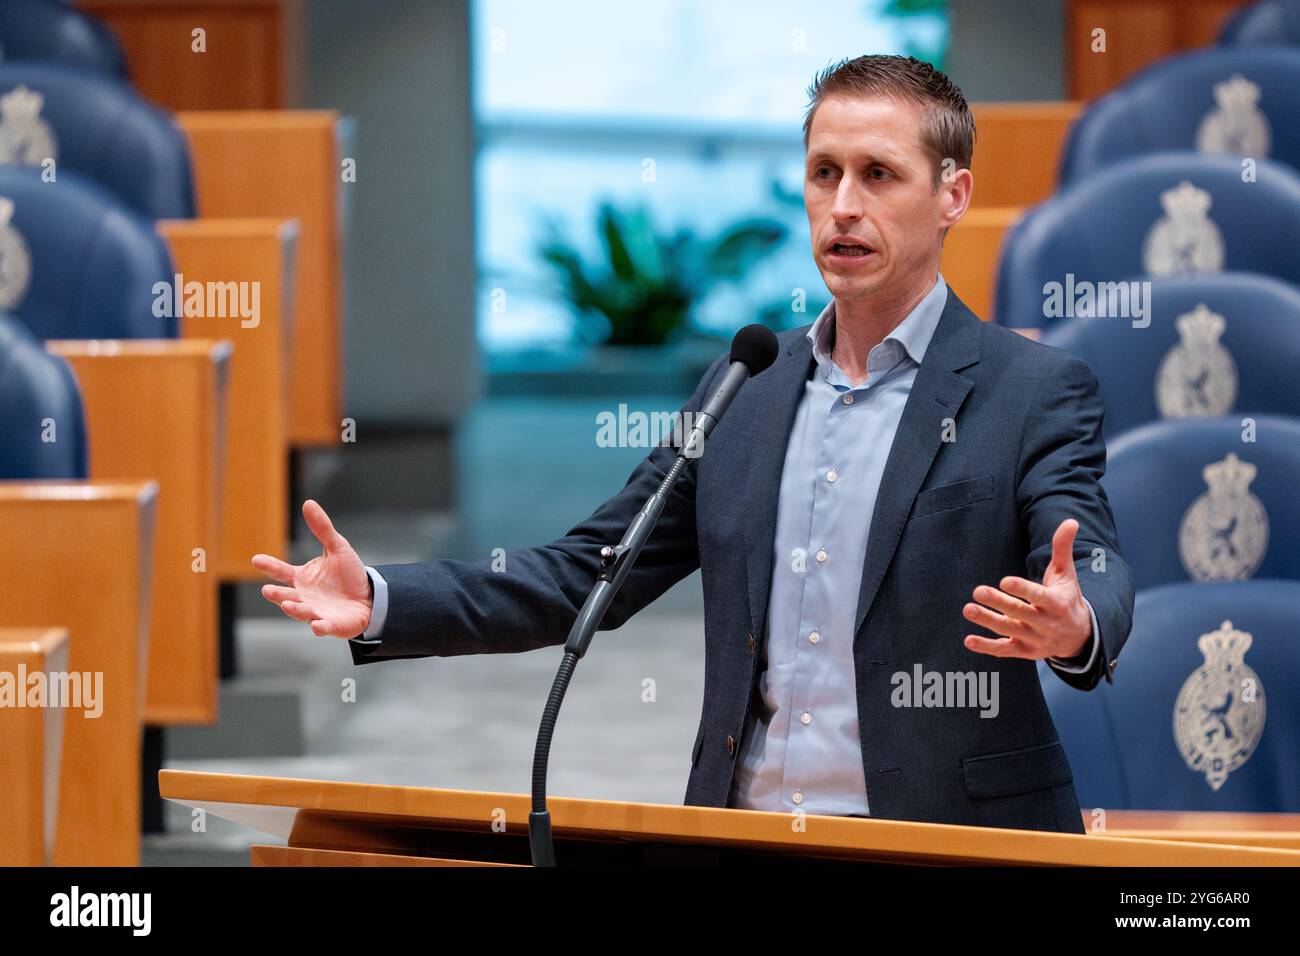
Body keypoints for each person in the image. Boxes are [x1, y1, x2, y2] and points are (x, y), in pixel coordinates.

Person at [253, 54, 1134, 833]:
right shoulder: (747, 387)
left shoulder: (1032, 391)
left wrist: (1077, 620)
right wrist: (382, 599)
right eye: (823, 172)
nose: (844, 206)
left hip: (948, 842)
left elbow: (1085, 555)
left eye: (879, 174)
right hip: (740, 835)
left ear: (953, 195)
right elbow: (589, 570)